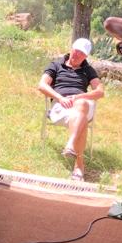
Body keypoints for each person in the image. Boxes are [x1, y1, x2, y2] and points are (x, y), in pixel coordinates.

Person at [38, 37, 105, 182]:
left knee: (82, 105)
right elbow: (42, 85)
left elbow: (100, 92)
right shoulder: (56, 65)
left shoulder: (88, 70)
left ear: (86, 56)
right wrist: (60, 98)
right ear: (71, 49)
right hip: (60, 106)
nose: (77, 55)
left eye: (81, 53)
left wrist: (79, 96)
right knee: (82, 119)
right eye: (76, 50)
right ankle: (79, 165)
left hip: (81, 104)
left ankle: (71, 144)